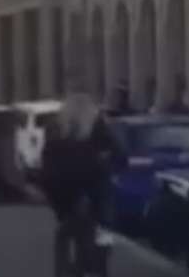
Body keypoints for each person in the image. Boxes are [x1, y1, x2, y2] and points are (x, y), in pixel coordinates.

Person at [40, 93, 125, 247]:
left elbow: (47, 153)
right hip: (90, 175)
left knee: (59, 201)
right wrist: (118, 165)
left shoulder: (55, 126)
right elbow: (116, 150)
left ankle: (63, 220)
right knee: (105, 194)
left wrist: (47, 174)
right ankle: (104, 230)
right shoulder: (98, 125)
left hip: (62, 178)